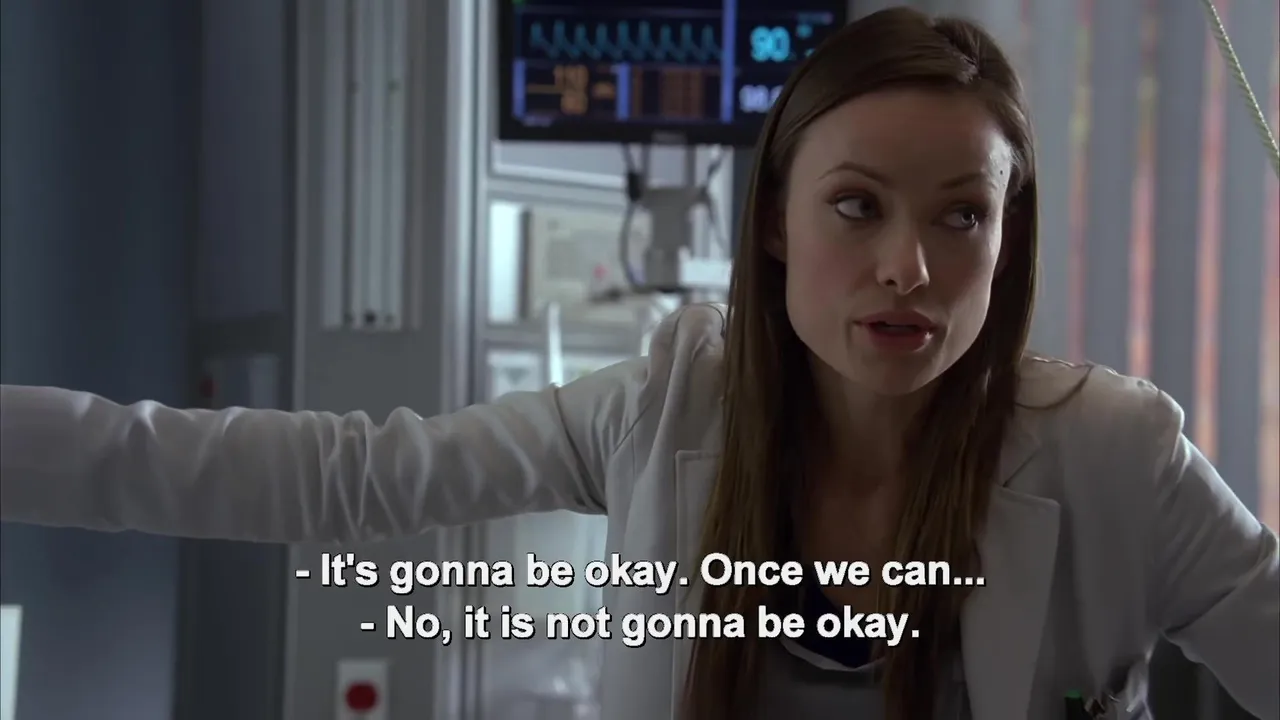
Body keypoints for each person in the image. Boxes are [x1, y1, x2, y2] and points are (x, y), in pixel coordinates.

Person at [1, 7, 1276, 720]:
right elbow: (349, 476)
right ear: (772, 224)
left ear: (1006, 240)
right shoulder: (670, 407)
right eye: (855, 206)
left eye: (960, 216)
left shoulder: (1115, 457)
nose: (907, 265)